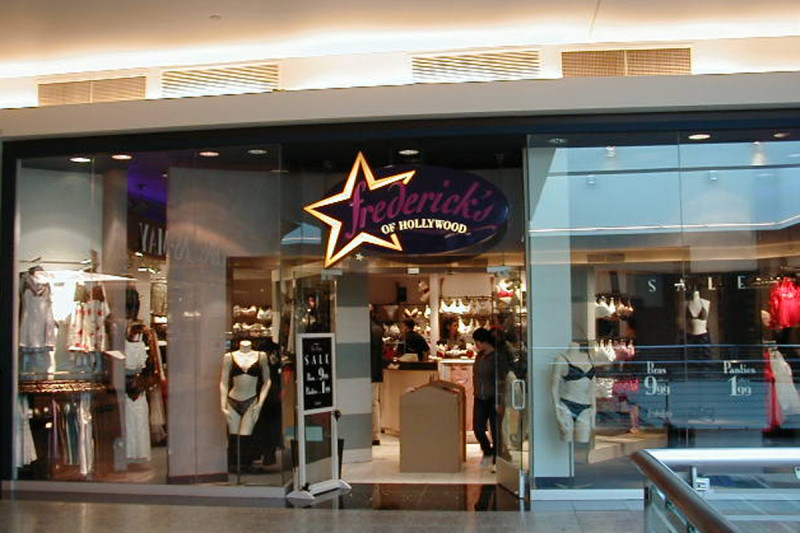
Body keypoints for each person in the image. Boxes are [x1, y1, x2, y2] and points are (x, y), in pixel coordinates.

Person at [471, 328, 509, 469]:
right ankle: (488, 451)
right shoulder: (479, 356)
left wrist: (500, 400)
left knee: (495, 431)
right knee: (478, 429)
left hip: (493, 397)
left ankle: (497, 459)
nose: (476, 345)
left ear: (483, 342)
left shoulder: (497, 357)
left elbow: (501, 380)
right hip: (479, 397)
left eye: (477, 342)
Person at [369, 306, 385, 445]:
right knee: (374, 402)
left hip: (367, 371)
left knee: (370, 403)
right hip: (375, 371)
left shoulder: (366, 330)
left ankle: (372, 434)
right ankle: (375, 435)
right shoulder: (378, 330)